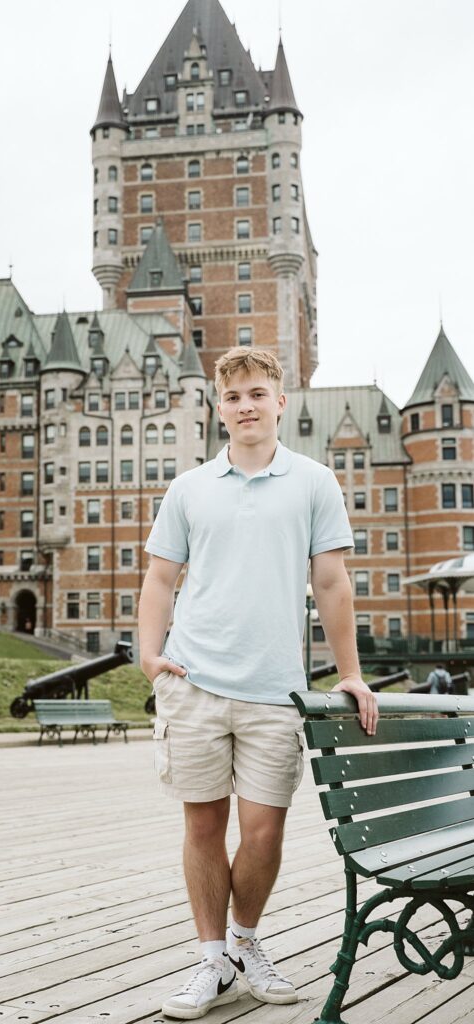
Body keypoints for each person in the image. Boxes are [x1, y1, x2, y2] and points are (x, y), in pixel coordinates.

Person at [138, 347, 379, 1020]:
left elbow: (330, 583)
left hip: (274, 689)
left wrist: (351, 673)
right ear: (219, 408)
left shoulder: (312, 483)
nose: (245, 404)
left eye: (256, 393)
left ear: (280, 402)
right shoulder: (189, 489)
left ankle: (242, 943)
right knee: (202, 826)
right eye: (233, 395)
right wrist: (150, 655)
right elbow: (160, 579)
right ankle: (213, 959)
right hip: (193, 680)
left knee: (264, 833)